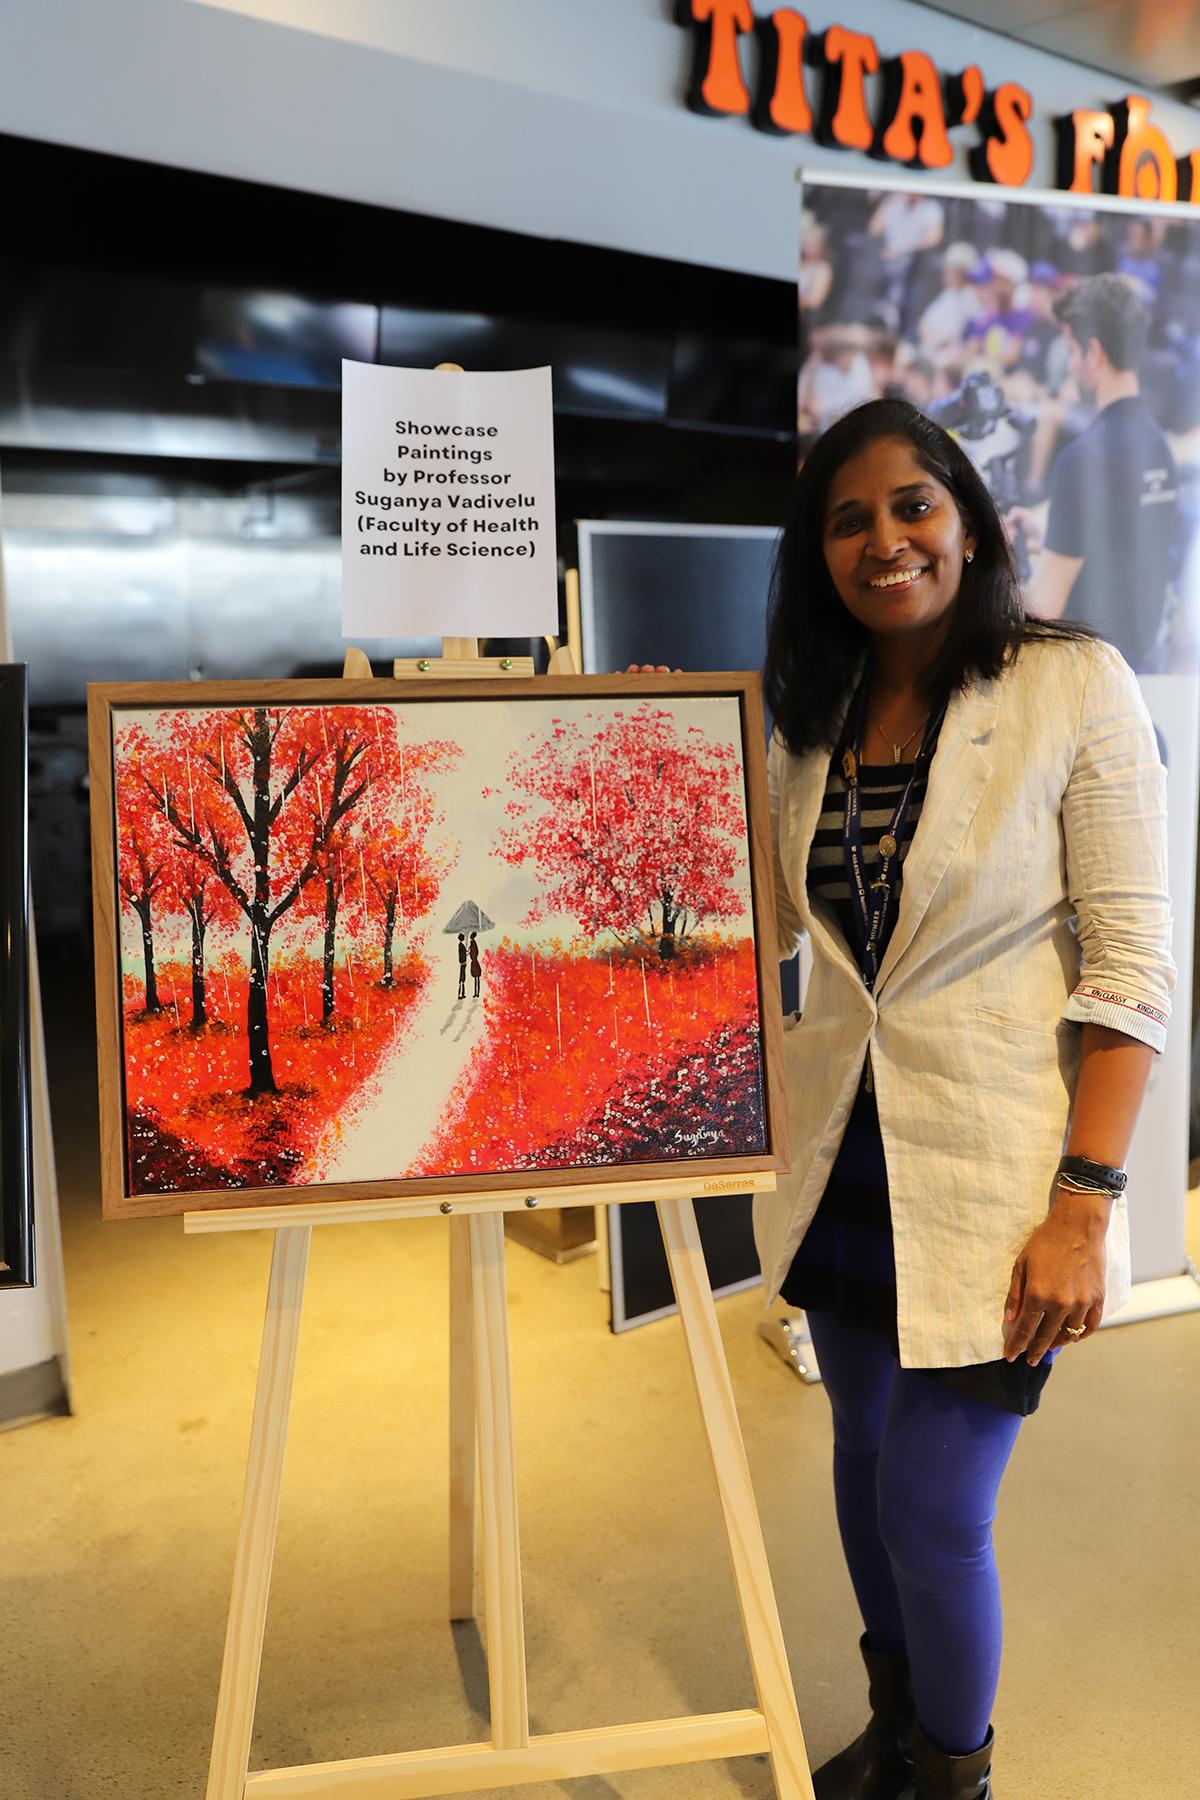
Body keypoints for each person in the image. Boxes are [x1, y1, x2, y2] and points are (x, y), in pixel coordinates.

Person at [758, 398, 1172, 1800]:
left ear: (971, 519)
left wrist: (1087, 1204)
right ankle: (897, 1721)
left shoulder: (1072, 681)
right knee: (865, 1457)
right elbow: (763, 919)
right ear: (817, 553)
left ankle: (952, 1774)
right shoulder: (805, 722)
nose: (885, 541)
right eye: (848, 519)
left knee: (935, 1508)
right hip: (849, 1162)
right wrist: (658, 740)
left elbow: (1130, 969)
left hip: (1001, 1178)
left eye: (911, 506)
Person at [1020, 273, 1178, 670]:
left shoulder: (1083, 459)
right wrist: (1050, 537)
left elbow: (1042, 608)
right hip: (1140, 673)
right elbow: (1125, 548)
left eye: (1072, 351)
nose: (1071, 366)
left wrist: (985, 577)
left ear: (1093, 352)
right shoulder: (1158, 447)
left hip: (1088, 684)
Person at [469, 931, 482, 999]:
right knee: (477, 979)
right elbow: (476, 952)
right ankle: (476, 993)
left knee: (476, 979)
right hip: (475, 962)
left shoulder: (472, 943)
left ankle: (476, 993)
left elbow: (474, 953)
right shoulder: (473, 943)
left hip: (474, 963)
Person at [456, 931, 467, 1000]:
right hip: (462, 963)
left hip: (463, 963)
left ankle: (462, 993)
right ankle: (460, 994)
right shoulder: (461, 945)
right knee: (462, 978)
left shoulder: (461, 945)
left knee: (462, 978)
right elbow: (462, 955)